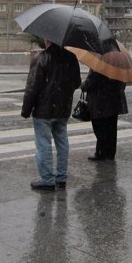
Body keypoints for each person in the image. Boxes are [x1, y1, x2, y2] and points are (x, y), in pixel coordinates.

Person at [21, 39, 81, 191]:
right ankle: (61, 177)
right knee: (62, 142)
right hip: (63, 108)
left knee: (43, 145)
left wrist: (26, 110)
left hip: (43, 110)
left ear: (47, 40)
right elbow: (77, 83)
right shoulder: (71, 57)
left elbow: (32, 87)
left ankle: (47, 179)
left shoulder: (41, 58)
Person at [80, 69, 128, 161]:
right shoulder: (118, 65)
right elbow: (123, 84)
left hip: (100, 103)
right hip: (114, 101)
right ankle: (110, 153)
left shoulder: (99, 65)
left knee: (99, 128)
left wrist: (83, 85)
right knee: (112, 129)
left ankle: (101, 153)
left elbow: (91, 83)